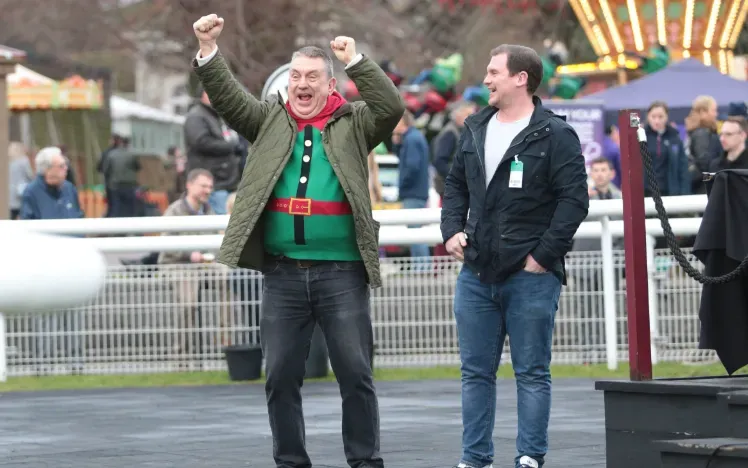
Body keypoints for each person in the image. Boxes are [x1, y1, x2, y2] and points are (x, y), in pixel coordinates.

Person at [191, 13, 405, 468]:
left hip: (342, 273)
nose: (301, 84)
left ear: (330, 86)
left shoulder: (356, 123)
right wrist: (209, 49)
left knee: (355, 375)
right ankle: (291, 461)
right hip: (283, 274)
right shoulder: (268, 119)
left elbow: (390, 107)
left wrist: (357, 62)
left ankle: (365, 461)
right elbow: (228, 100)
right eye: (295, 76)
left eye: (312, 77)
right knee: (280, 378)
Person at [440, 44, 589, 468]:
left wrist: (542, 257)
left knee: (532, 372)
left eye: (493, 72)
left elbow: (574, 201)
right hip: (476, 272)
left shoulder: (556, 134)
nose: (485, 80)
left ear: (521, 78)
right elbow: (454, 187)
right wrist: (451, 230)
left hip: (531, 275)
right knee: (474, 373)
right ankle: (475, 459)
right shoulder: (473, 127)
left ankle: (529, 457)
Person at [642, 101, 690, 197]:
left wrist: (685, 193)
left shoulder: (674, 137)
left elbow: (683, 167)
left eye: (660, 117)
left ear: (666, 117)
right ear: (648, 117)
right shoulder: (641, 136)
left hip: (670, 192)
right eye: (653, 116)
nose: (657, 121)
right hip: (646, 192)